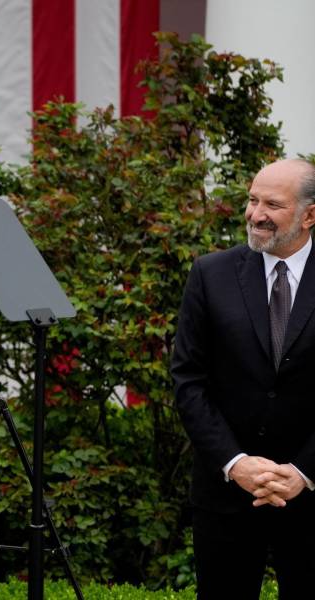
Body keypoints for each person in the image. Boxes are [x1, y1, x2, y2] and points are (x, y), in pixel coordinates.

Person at [172, 158, 315, 599]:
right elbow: (188, 379)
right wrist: (236, 463)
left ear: (310, 215)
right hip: (226, 496)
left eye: (272, 204)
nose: (255, 214)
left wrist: (304, 471)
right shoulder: (210, 274)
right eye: (252, 200)